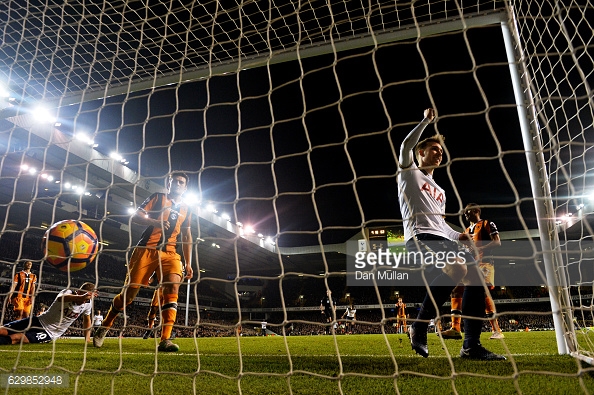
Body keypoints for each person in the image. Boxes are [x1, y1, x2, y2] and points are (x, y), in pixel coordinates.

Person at [397, 108, 505, 361]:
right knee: (458, 269)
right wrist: (426, 121)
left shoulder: (441, 192)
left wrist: (459, 236)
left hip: (442, 240)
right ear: (420, 153)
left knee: (476, 279)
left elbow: (442, 225)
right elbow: (405, 144)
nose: (439, 153)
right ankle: (420, 325)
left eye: (441, 151)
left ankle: (471, 346)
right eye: (434, 149)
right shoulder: (408, 173)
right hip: (419, 240)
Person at [93, 172, 194, 352]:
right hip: (146, 250)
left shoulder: (187, 209)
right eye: (175, 181)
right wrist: (156, 221)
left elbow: (186, 235)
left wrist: (189, 262)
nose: (178, 184)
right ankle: (104, 326)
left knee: (173, 288)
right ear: (168, 183)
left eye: (182, 182)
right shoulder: (158, 197)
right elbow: (136, 216)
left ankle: (165, 339)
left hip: (170, 253)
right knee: (129, 296)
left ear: (185, 187)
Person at [441, 203, 504, 340]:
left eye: (467, 211)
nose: (465, 214)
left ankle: (497, 330)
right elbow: (459, 241)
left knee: (483, 292)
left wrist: (480, 249)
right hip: (472, 264)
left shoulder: (487, 223)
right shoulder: (467, 229)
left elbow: (497, 242)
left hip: (485, 263)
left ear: (476, 211)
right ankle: (455, 328)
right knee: (456, 289)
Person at [0, 283, 96, 345]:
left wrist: (87, 338)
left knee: (16, 338)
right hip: (39, 320)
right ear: (78, 292)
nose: (84, 302)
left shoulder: (88, 304)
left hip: (49, 333)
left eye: (86, 300)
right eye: (84, 299)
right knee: (3, 330)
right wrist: (81, 297)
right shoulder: (67, 292)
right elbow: (61, 298)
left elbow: (87, 320)